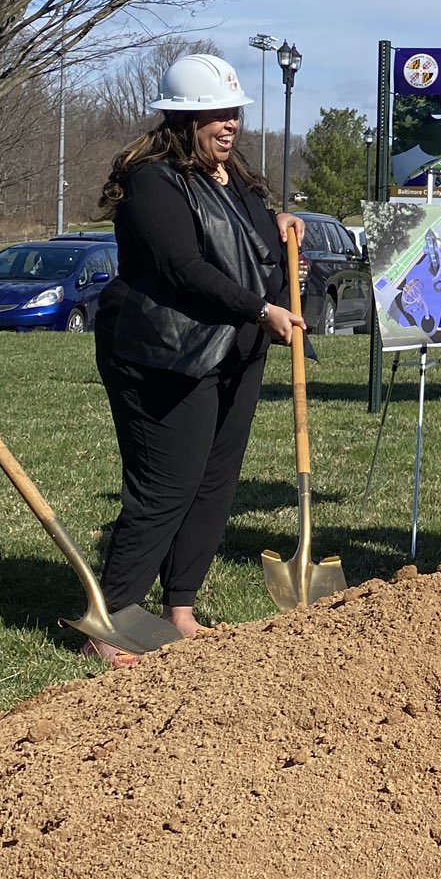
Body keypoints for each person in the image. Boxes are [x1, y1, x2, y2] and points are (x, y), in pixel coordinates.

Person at [93, 54, 303, 662]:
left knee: (214, 483)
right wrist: (262, 311)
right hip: (166, 354)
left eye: (233, 112)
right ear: (182, 118)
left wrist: (278, 227)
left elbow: (252, 248)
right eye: (215, 114)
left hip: (233, 351)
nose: (229, 123)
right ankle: (113, 618)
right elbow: (181, 268)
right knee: (166, 485)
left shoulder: (232, 177)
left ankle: (179, 606)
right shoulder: (151, 179)